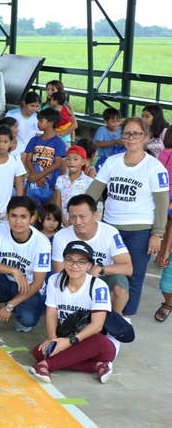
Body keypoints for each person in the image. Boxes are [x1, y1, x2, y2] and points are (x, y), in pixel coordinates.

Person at [84, 116, 169, 318]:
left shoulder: (155, 167)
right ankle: (100, 313)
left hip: (140, 232)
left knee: (135, 276)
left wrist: (157, 234)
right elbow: (93, 193)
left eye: (137, 134)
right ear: (121, 136)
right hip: (110, 228)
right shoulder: (112, 162)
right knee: (104, 271)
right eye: (127, 133)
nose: (131, 138)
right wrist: (80, 216)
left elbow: (162, 204)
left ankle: (125, 318)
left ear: (146, 137)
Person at [32, 240, 119, 384]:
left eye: (81, 262)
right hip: (67, 336)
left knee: (101, 342)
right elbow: (51, 314)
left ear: (89, 265)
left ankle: (46, 365)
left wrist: (69, 342)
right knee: (39, 351)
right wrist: (52, 339)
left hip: (94, 343)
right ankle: (96, 366)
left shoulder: (98, 286)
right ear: (64, 261)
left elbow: (97, 326)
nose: (74, 266)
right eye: (70, 260)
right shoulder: (54, 280)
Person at [0, 196, 51, 338]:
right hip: (4, 283)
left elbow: (38, 283)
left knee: (26, 321)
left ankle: (18, 308)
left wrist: (9, 306)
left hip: (27, 288)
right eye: (14, 216)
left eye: (23, 217)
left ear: (32, 218)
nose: (18, 221)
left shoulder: (42, 243)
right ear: (7, 215)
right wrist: (14, 270)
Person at [51, 194, 132, 314]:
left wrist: (99, 269)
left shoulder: (110, 233)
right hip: (73, 280)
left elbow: (128, 268)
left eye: (83, 216)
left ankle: (113, 320)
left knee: (119, 284)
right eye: (73, 217)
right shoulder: (61, 236)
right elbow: (59, 272)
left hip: (101, 279)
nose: (77, 222)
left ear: (95, 215)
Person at [22, 108, 66, 205]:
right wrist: (36, 176)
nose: (38, 123)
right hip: (33, 182)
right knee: (28, 207)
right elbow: (28, 160)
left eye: (41, 121)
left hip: (50, 184)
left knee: (49, 210)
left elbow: (57, 163)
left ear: (51, 123)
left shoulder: (59, 142)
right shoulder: (34, 140)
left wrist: (39, 175)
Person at [53, 145, 93, 220]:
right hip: (63, 221)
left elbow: (89, 205)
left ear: (83, 162)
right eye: (68, 159)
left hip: (80, 221)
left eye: (75, 159)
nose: (71, 162)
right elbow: (58, 202)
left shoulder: (89, 181)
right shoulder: (60, 179)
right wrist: (63, 221)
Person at [7, 92, 42, 160]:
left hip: (30, 152)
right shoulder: (12, 115)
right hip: (14, 151)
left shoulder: (37, 118)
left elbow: (38, 137)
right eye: (32, 106)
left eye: (37, 106)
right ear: (24, 103)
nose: (35, 109)